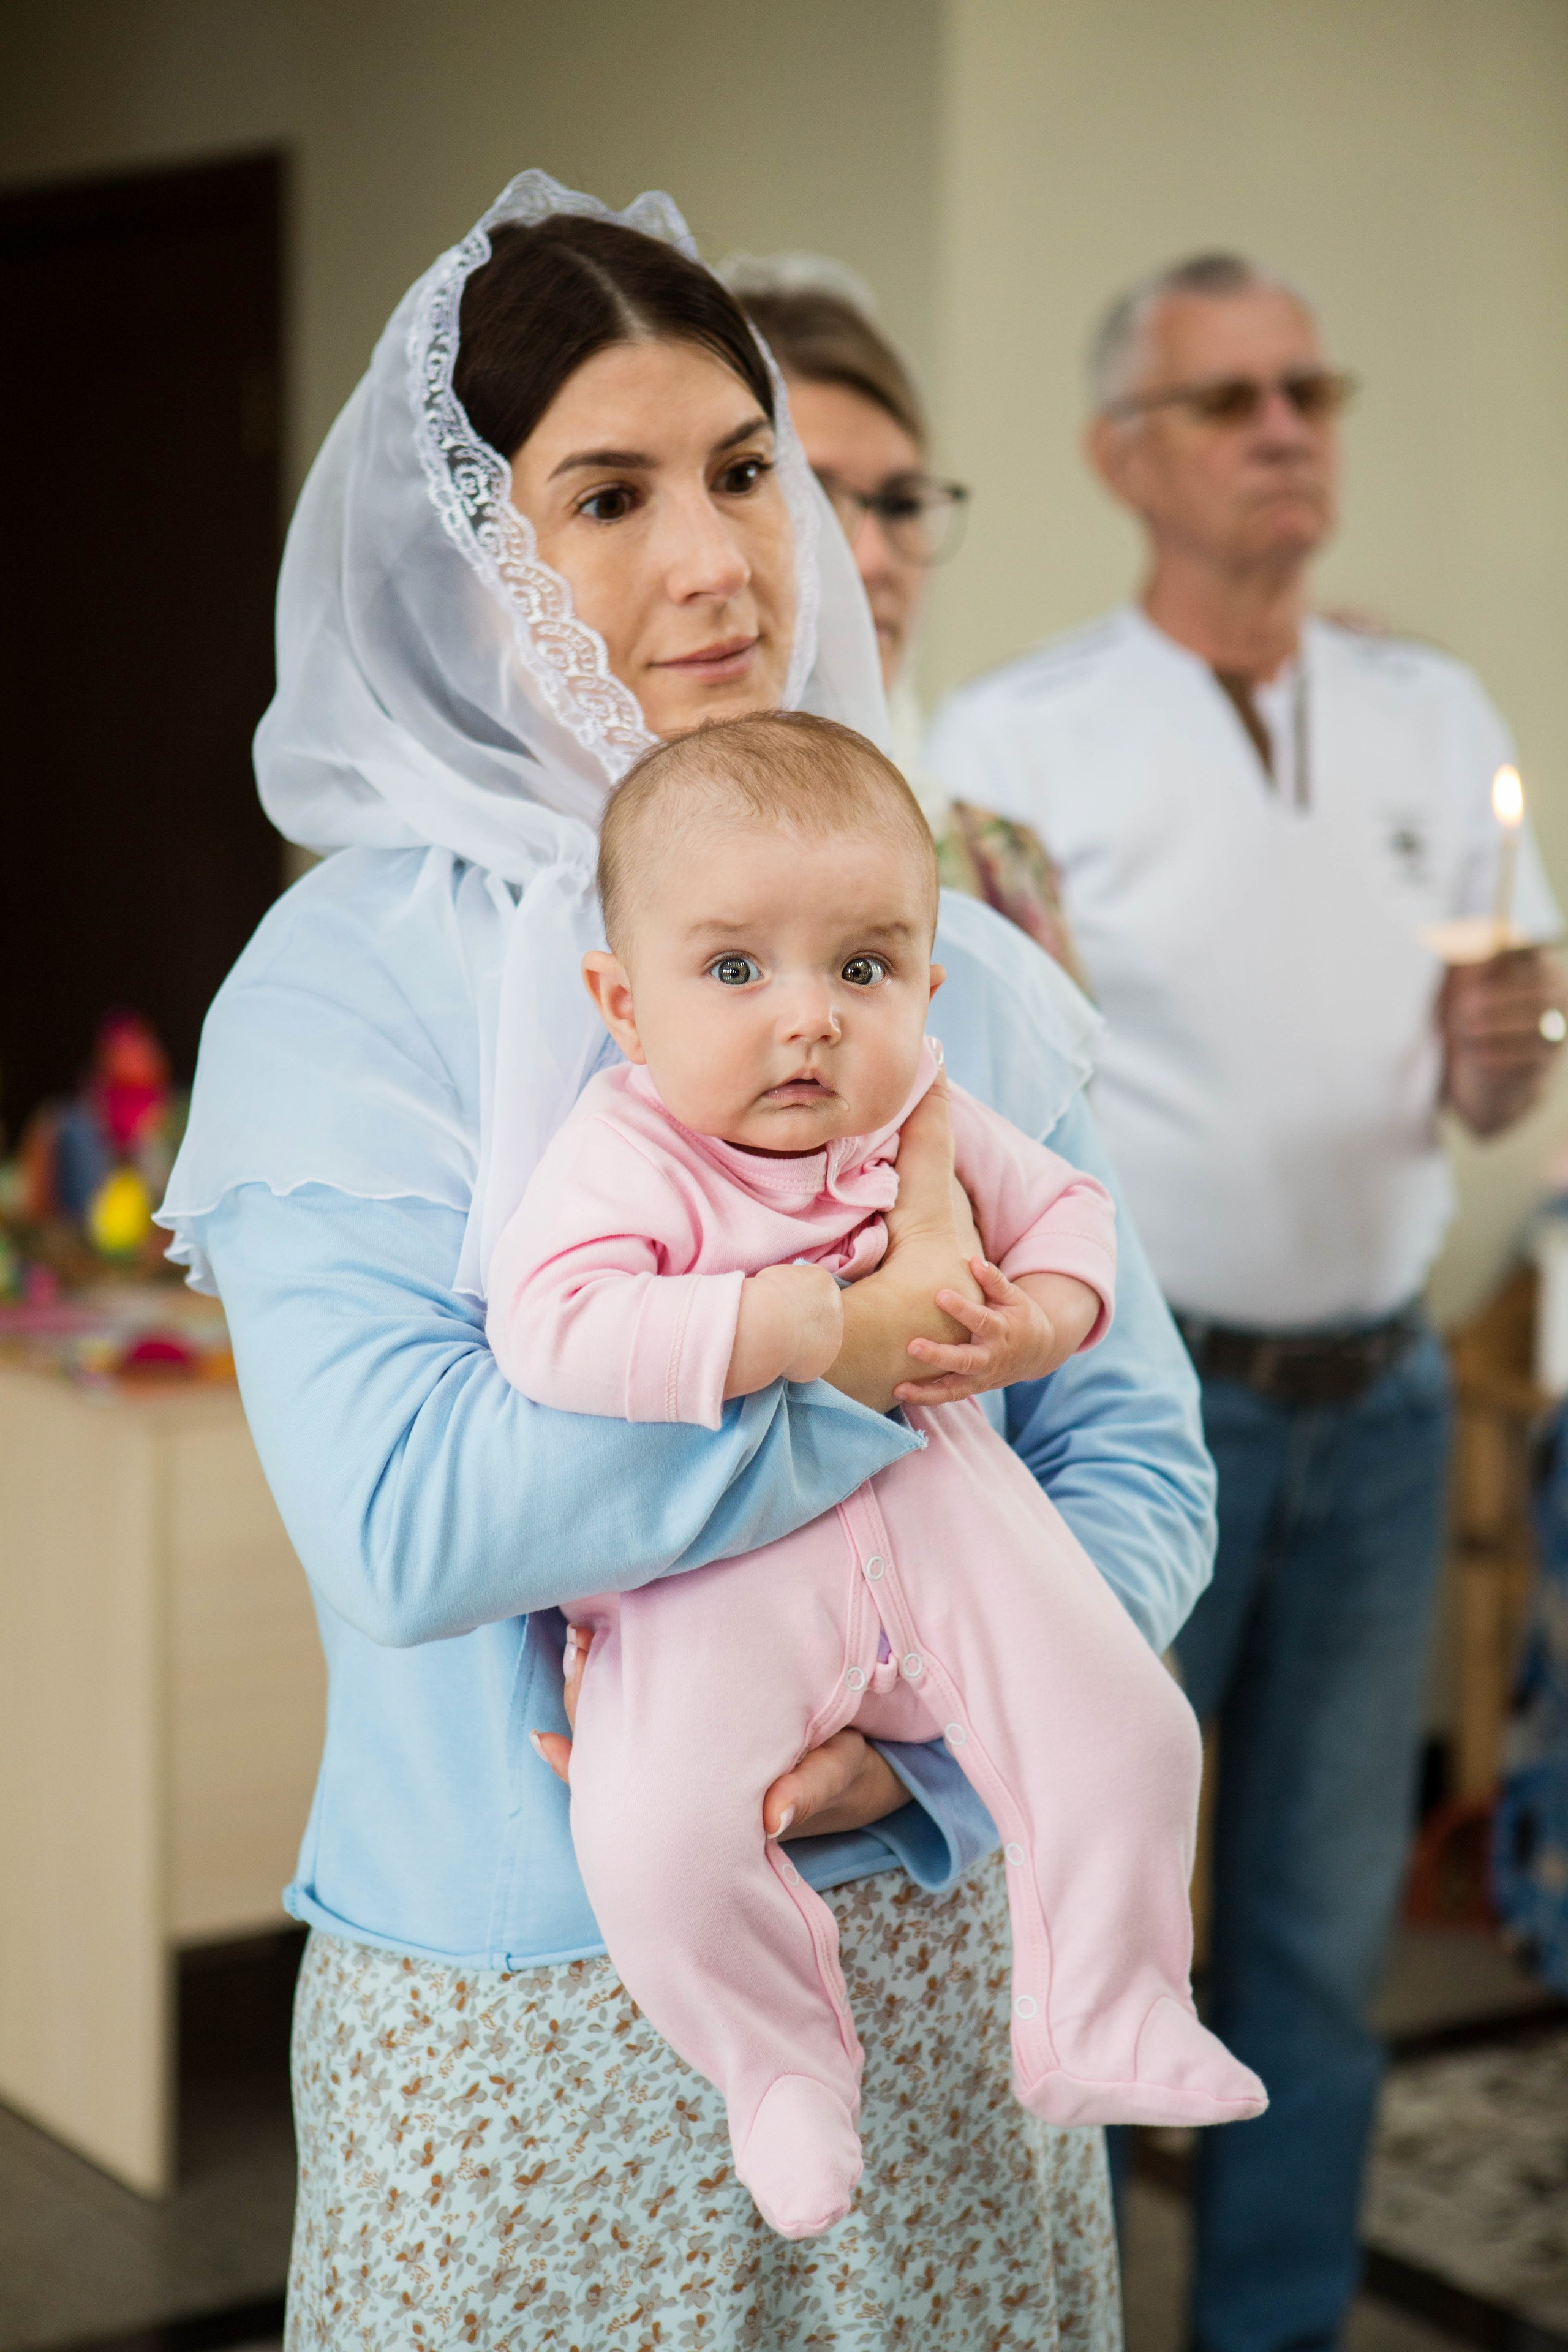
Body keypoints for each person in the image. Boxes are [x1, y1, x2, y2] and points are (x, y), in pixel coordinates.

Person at [156, 174, 1214, 2346]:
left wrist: (920, 1750)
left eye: (741, 470)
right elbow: (409, 1519)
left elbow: (1142, 1462)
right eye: (607, 495)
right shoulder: (344, 989)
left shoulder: (952, 962)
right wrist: (863, 1365)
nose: (719, 559)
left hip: (937, 1987)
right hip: (519, 2021)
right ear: (471, 564)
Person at [927, 250, 1568, 2352]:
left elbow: (1489, 1073)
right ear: (1125, 457)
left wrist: (1504, 1066)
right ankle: (1072, 2314)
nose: (1292, 425)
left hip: (1381, 1409)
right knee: (1095, 1921)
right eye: (1233, 399)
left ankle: (1275, 2329)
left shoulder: (1431, 710)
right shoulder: (1015, 741)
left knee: (1307, 1942)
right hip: (1128, 1413)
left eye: (1311, 385)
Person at [486, 709, 1264, 2237]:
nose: (808, 1019)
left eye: (861, 968)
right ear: (620, 1002)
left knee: (1134, 1728)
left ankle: (1105, 2008)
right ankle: (776, 2069)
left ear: (925, 985)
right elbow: (549, 1324)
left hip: (943, 1505)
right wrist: (783, 1324)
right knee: (647, 1835)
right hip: (721, 1572)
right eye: (732, 970)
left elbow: (1070, 1221)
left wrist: (1029, 1318)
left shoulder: (929, 1114)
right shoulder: (624, 1147)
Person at [730, 258, 1083, 978]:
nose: (871, 561)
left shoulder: (997, 860)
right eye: (817, 507)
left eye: (900, 505)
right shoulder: (605, 848)